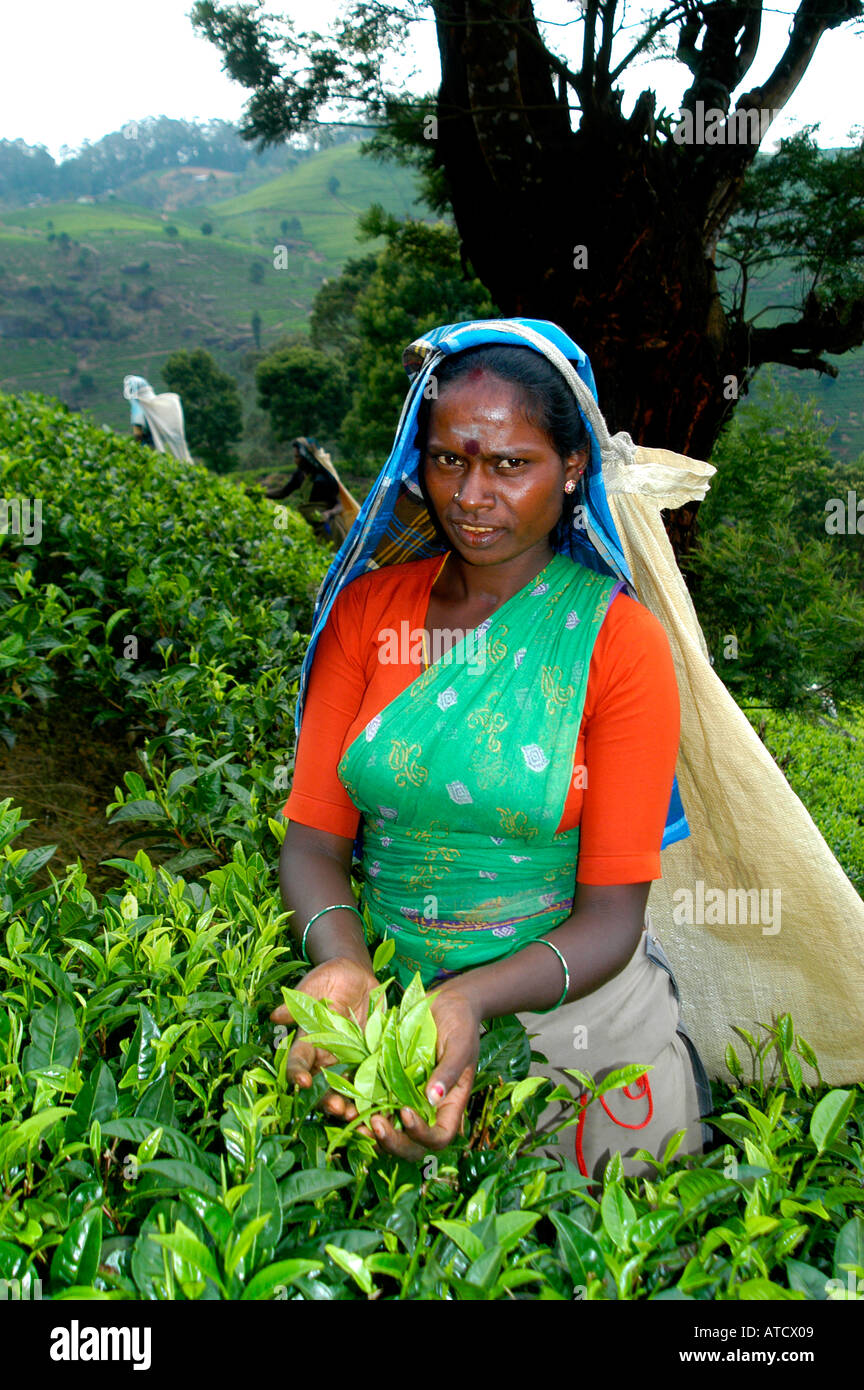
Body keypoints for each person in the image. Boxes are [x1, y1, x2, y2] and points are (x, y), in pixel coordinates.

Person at [271, 319, 712, 1179]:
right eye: (448, 460)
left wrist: (467, 1000)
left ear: (573, 466)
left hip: (582, 1043)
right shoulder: (367, 616)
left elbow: (611, 922)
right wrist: (347, 970)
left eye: (511, 464)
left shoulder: (616, 644)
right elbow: (313, 845)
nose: (472, 495)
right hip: (385, 1023)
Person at [266, 436, 355, 546]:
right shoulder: (299, 475)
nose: (295, 460)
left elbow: (339, 504)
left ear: (306, 457)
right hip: (308, 521)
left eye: (298, 457)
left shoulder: (323, 478)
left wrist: (328, 513)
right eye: (295, 457)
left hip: (327, 525)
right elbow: (283, 492)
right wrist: (261, 493)